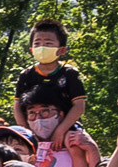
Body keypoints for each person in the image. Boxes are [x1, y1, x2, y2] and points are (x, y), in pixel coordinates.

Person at [13, 20, 87, 151]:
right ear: (31, 49)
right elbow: (17, 106)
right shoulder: (26, 75)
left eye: (48, 43)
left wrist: (60, 131)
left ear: (62, 50)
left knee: (76, 146)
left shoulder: (69, 73)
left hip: (66, 128)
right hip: (34, 129)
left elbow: (79, 105)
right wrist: (26, 132)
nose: (42, 47)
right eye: (37, 43)